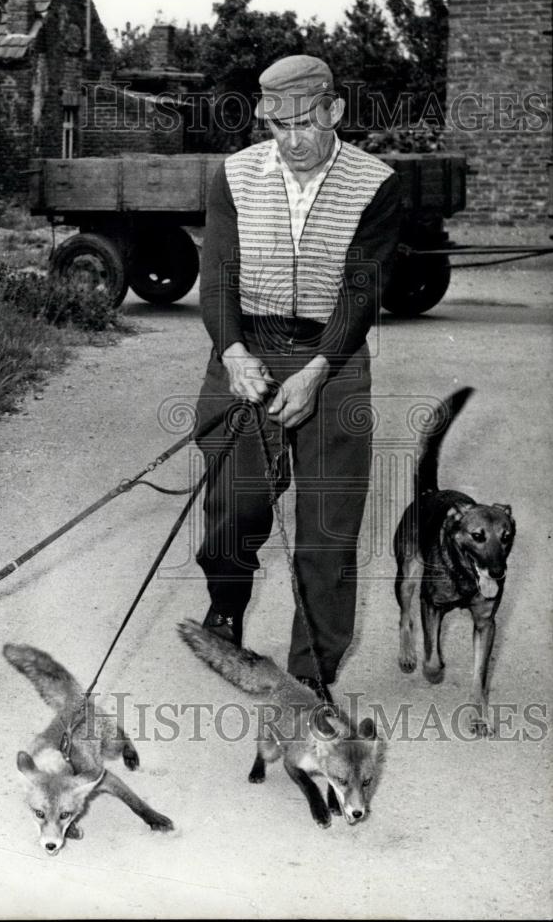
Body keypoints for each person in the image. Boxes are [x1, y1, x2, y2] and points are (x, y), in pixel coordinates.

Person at [194, 55, 402, 700]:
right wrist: (231, 351)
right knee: (234, 507)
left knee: (327, 527)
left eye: (306, 124)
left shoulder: (376, 183)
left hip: (331, 359)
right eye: (279, 127)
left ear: (334, 112)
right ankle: (227, 604)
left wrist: (316, 371)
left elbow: (360, 293)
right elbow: (218, 275)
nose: (292, 141)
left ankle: (310, 679)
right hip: (247, 346)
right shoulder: (234, 176)